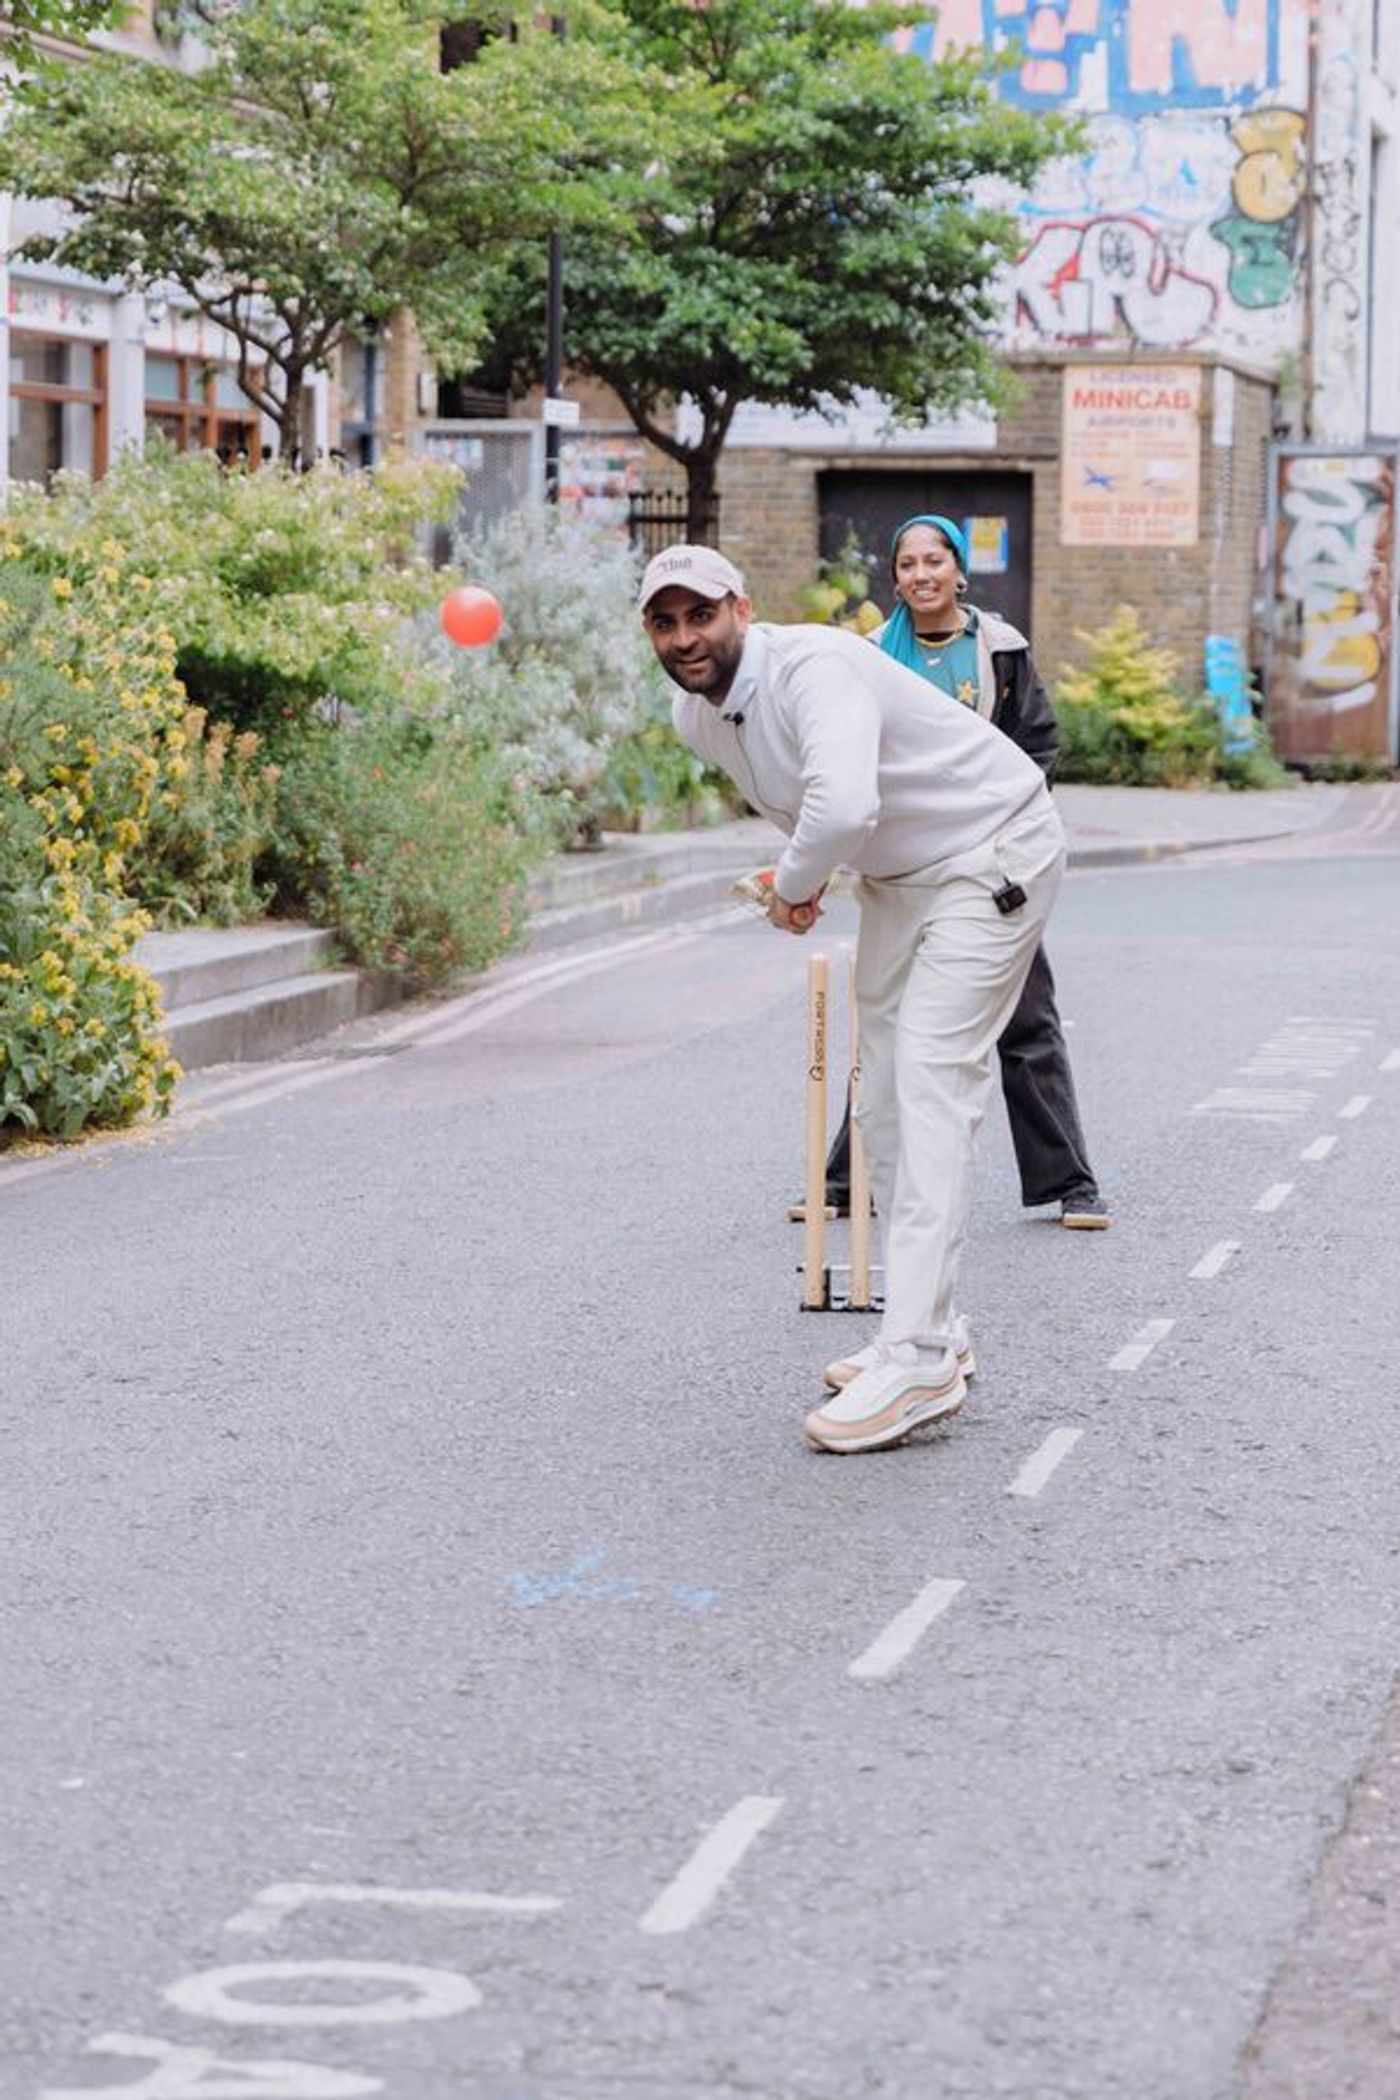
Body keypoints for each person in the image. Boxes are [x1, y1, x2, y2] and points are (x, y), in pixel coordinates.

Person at [639, 542, 1068, 1456]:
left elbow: (838, 810)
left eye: (701, 614)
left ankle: (914, 1357)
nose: (686, 637)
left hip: (992, 852)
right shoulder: (697, 718)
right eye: (666, 622)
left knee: (929, 1081)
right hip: (902, 878)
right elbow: (814, 813)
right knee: (877, 1101)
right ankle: (935, 1326)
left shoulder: (816, 666)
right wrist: (802, 877)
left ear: (741, 610)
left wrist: (798, 884)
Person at [821, 514, 1109, 1229]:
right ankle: (843, 1182)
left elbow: (1037, 746)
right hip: (907, 865)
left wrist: (1006, 829)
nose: (921, 575)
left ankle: (1071, 1183)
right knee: (886, 1025)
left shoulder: (1000, 650)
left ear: (958, 570)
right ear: (895, 579)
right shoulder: (871, 658)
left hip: (992, 865)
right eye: (907, 565)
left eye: (934, 561)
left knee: (1026, 1017)